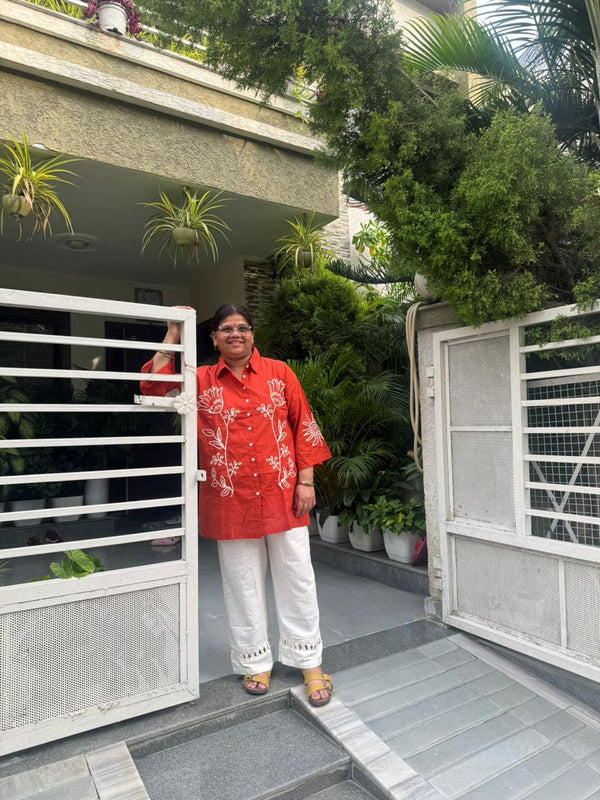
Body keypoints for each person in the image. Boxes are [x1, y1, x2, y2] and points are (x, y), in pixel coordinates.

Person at [140, 303, 333, 706]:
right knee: (242, 582)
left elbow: (303, 424)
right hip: (231, 499)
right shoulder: (202, 379)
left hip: (284, 496)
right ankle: (255, 660)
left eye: (242, 327)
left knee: (297, 578)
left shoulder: (280, 374)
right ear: (213, 338)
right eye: (226, 329)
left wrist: (306, 480)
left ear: (252, 334)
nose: (235, 334)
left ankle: (310, 662)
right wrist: (174, 334)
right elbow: (152, 387)